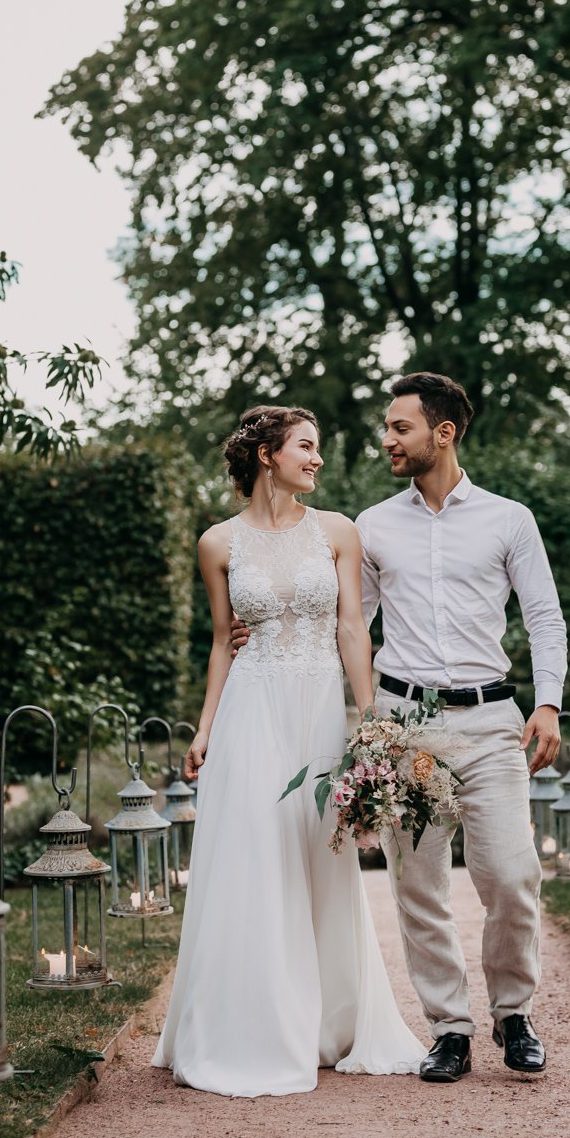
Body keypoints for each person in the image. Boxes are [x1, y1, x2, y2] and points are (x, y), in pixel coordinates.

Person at [231, 373, 566, 1083]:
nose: (386, 439)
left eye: (399, 428)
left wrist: (549, 701)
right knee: (417, 883)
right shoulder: (374, 525)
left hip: (492, 721)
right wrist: (260, 631)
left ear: (442, 433)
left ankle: (514, 1012)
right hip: (406, 723)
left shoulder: (510, 519)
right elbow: (348, 619)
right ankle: (449, 1026)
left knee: (510, 873)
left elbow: (543, 616)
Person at [152, 405, 424, 1097]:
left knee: (319, 857)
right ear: (268, 454)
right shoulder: (217, 543)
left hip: (318, 712)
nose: (319, 459)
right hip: (250, 710)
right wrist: (205, 727)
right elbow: (222, 639)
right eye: (307, 446)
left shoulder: (338, 531)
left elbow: (352, 628)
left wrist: (369, 721)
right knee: (255, 858)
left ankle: (330, 1023)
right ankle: (251, 1024)